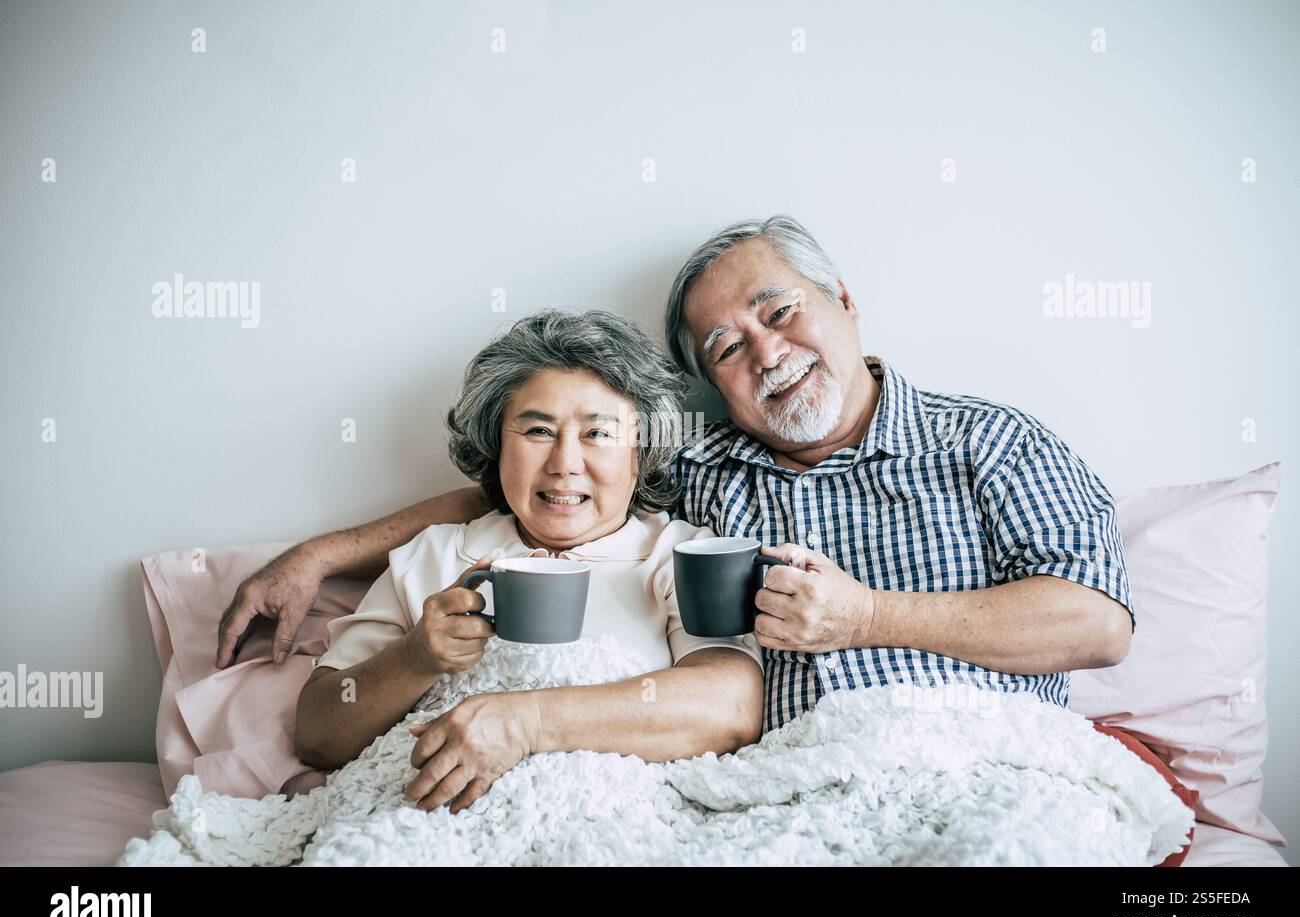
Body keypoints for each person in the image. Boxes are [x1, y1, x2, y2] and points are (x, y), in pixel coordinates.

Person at [223, 214, 1133, 742]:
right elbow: (545, 497)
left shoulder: (992, 443)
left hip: (991, 751)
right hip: (793, 788)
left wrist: (868, 618)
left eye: (780, 312)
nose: (767, 352)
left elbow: (1098, 627)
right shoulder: (701, 471)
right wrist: (322, 554)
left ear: (845, 302)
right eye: (727, 347)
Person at [287, 309, 763, 810]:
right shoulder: (435, 554)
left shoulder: (678, 557)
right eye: (537, 431)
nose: (564, 464)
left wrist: (527, 722)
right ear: (496, 445)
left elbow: (730, 707)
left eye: (597, 434)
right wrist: (415, 658)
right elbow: (318, 733)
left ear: (640, 452)